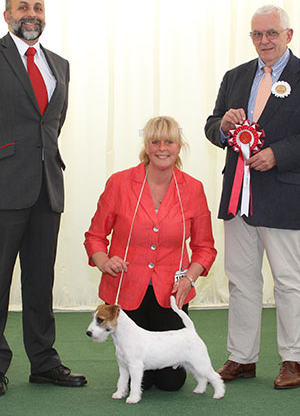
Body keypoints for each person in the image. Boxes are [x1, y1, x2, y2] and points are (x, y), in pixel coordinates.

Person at [205, 5, 300, 389]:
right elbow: (212, 125)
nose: (265, 41)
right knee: (241, 280)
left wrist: (280, 153)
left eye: (272, 33)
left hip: (283, 195)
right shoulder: (236, 76)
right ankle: (242, 358)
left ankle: (293, 358)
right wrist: (225, 129)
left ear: (288, 35)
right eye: (258, 34)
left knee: (288, 281)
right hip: (237, 197)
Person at [84, 116, 217, 391]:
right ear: (146, 146)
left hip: (170, 293)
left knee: (170, 382)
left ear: (179, 147)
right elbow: (95, 236)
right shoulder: (119, 183)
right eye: (155, 141)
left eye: (169, 141)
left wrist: (189, 279)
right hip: (126, 292)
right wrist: (104, 260)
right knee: (139, 371)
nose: (162, 148)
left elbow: (205, 247)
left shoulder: (193, 189)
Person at [0, 0, 86, 396]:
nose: (30, 14)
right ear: (6, 15)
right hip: (4, 187)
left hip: (47, 187)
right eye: (23, 7)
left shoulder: (60, 65)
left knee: (40, 282)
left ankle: (44, 363)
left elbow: (50, 126)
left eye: (37, 8)